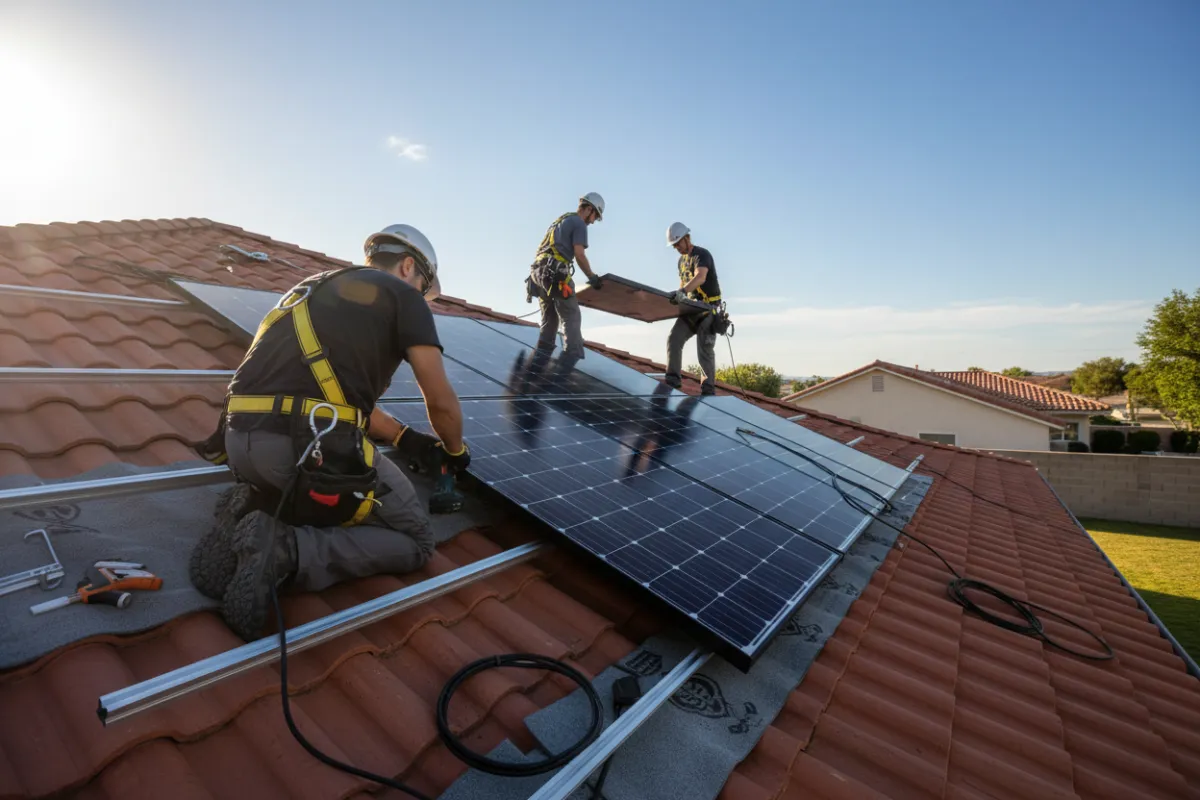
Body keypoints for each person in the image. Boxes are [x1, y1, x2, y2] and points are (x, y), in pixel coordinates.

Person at [189, 223, 470, 641]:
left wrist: (404, 439)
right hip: (298, 449)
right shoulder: (404, 300)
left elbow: (337, 401)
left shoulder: (307, 289)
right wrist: (454, 449)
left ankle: (253, 506)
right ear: (409, 265)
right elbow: (441, 399)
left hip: (239, 441)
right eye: (421, 284)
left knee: (316, 449)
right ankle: (285, 550)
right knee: (415, 539)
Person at [526, 193, 606, 359]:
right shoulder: (578, 223)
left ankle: (540, 360)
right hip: (555, 274)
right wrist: (592, 277)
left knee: (550, 320)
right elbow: (579, 254)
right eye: (594, 216)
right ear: (589, 209)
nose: (592, 221)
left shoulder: (561, 221)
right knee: (571, 316)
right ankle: (571, 361)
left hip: (539, 275)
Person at [664, 221, 723, 395]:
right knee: (674, 339)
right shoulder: (681, 261)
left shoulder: (701, 255)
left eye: (678, 244)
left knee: (704, 350)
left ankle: (707, 390)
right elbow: (684, 283)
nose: (677, 248)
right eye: (674, 246)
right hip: (690, 309)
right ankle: (672, 381)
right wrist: (678, 297)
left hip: (707, 310)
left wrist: (682, 291)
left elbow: (700, 277)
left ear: (687, 238)